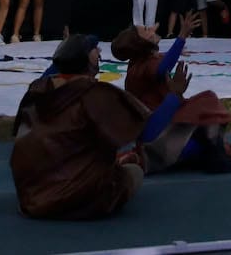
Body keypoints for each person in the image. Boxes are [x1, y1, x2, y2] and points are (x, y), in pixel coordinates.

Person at [10, 34, 152, 220]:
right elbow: (148, 130)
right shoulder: (95, 94)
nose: (99, 51)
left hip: (31, 198)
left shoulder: (37, 88)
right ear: (88, 58)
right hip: (78, 197)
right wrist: (174, 97)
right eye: (95, 49)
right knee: (135, 172)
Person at [110, 26, 231, 173]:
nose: (152, 29)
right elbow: (163, 68)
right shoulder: (142, 67)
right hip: (155, 137)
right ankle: (213, 156)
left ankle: (212, 154)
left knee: (204, 133)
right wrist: (181, 38)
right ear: (140, 43)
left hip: (161, 132)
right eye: (146, 31)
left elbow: (162, 64)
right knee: (206, 102)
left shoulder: (142, 63)